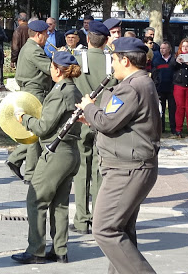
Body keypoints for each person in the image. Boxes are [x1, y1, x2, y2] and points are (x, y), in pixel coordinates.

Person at [78, 37, 161, 274]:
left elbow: (106, 121)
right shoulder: (140, 83)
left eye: (114, 59)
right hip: (129, 165)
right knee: (122, 230)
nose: (112, 65)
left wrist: (88, 107)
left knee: (105, 229)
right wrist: (92, 119)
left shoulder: (131, 87)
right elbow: (120, 125)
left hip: (128, 169)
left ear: (125, 60)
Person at [11, 51, 83, 265]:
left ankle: (36, 250)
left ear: (58, 70)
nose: (50, 69)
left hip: (56, 153)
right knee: (59, 203)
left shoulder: (61, 92)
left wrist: (24, 119)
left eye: (52, 66)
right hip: (70, 152)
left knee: (36, 199)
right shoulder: (74, 90)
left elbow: (43, 127)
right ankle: (60, 249)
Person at [72, 20, 117, 235]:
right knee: (100, 171)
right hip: (104, 119)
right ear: (106, 40)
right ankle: (99, 218)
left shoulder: (77, 58)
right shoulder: (113, 61)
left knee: (82, 169)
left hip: (81, 117)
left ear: (87, 38)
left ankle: (81, 218)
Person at [7, 20, 52, 184]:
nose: (47, 37)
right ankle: (30, 173)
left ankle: (16, 159)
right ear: (38, 34)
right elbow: (50, 69)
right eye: (46, 34)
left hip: (31, 91)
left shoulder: (30, 48)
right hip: (35, 93)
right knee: (36, 133)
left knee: (35, 133)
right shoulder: (34, 50)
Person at [171, 38, 188, 137]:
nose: (185, 48)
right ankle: (178, 130)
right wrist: (177, 62)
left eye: (187, 46)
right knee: (180, 108)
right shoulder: (176, 57)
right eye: (183, 46)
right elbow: (171, 67)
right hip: (179, 85)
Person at [152, 41, 176, 133]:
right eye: (161, 48)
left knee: (172, 109)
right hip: (160, 88)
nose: (162, 50)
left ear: (169, 49)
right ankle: (161, 129)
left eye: (164, 48)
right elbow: (154, 74)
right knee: (160, 110)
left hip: (171, 88)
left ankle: (173, 128)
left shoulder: (174, 60)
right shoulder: (157, 60)